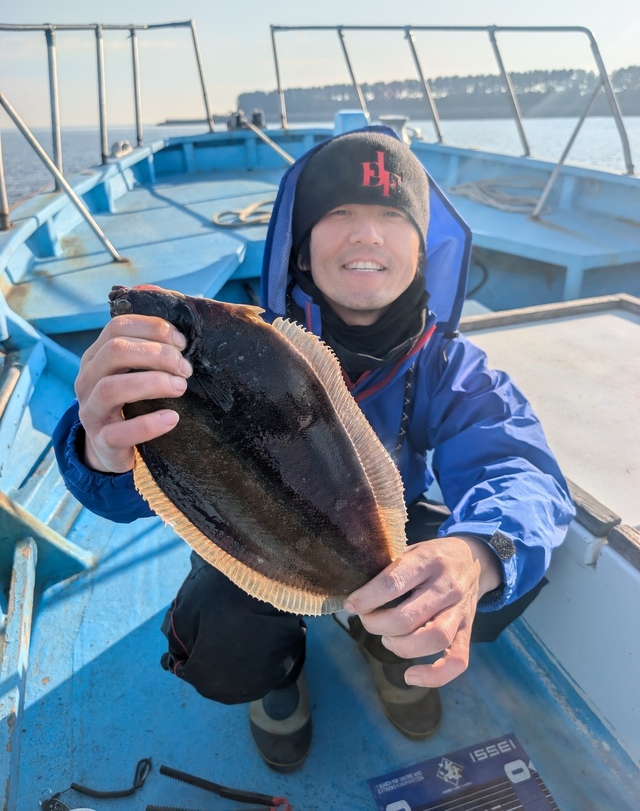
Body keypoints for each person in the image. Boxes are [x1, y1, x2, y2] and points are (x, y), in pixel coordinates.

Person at [53, 127, 575, 773]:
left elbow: (520, 468)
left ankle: (384, 643)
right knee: (217, 631)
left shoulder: (447, 364)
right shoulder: (234, 339)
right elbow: (142, 483)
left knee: (505, 572)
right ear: (300, 244)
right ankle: (281, 671)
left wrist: (473, 558)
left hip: (378, 540)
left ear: (423, 248)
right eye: (339, 213)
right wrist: (102, 447)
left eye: (393, 216)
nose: (367, 234)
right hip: (258, 541)